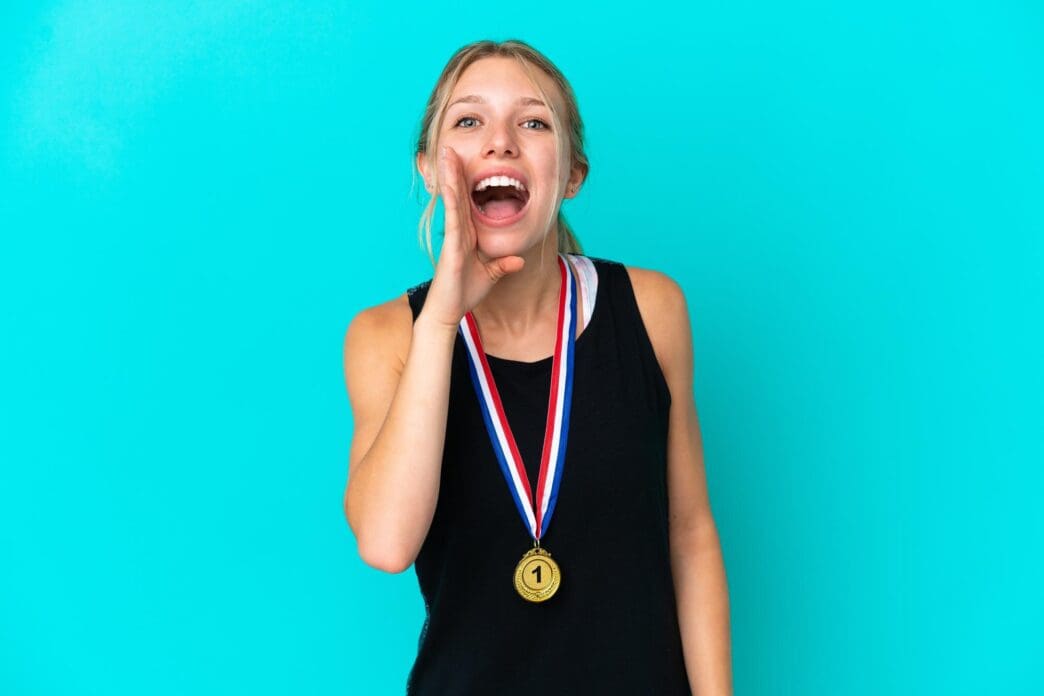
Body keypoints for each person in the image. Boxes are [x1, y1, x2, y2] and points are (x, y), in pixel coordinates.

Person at [342, 39, 732, 695]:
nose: (500, 142)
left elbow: (690, 534)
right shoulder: (386, 336)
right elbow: (386, 544)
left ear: (572, 175)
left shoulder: (652, 309)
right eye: (469, 120)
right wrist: (441, 320)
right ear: (431, 169)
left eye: (532, 122)